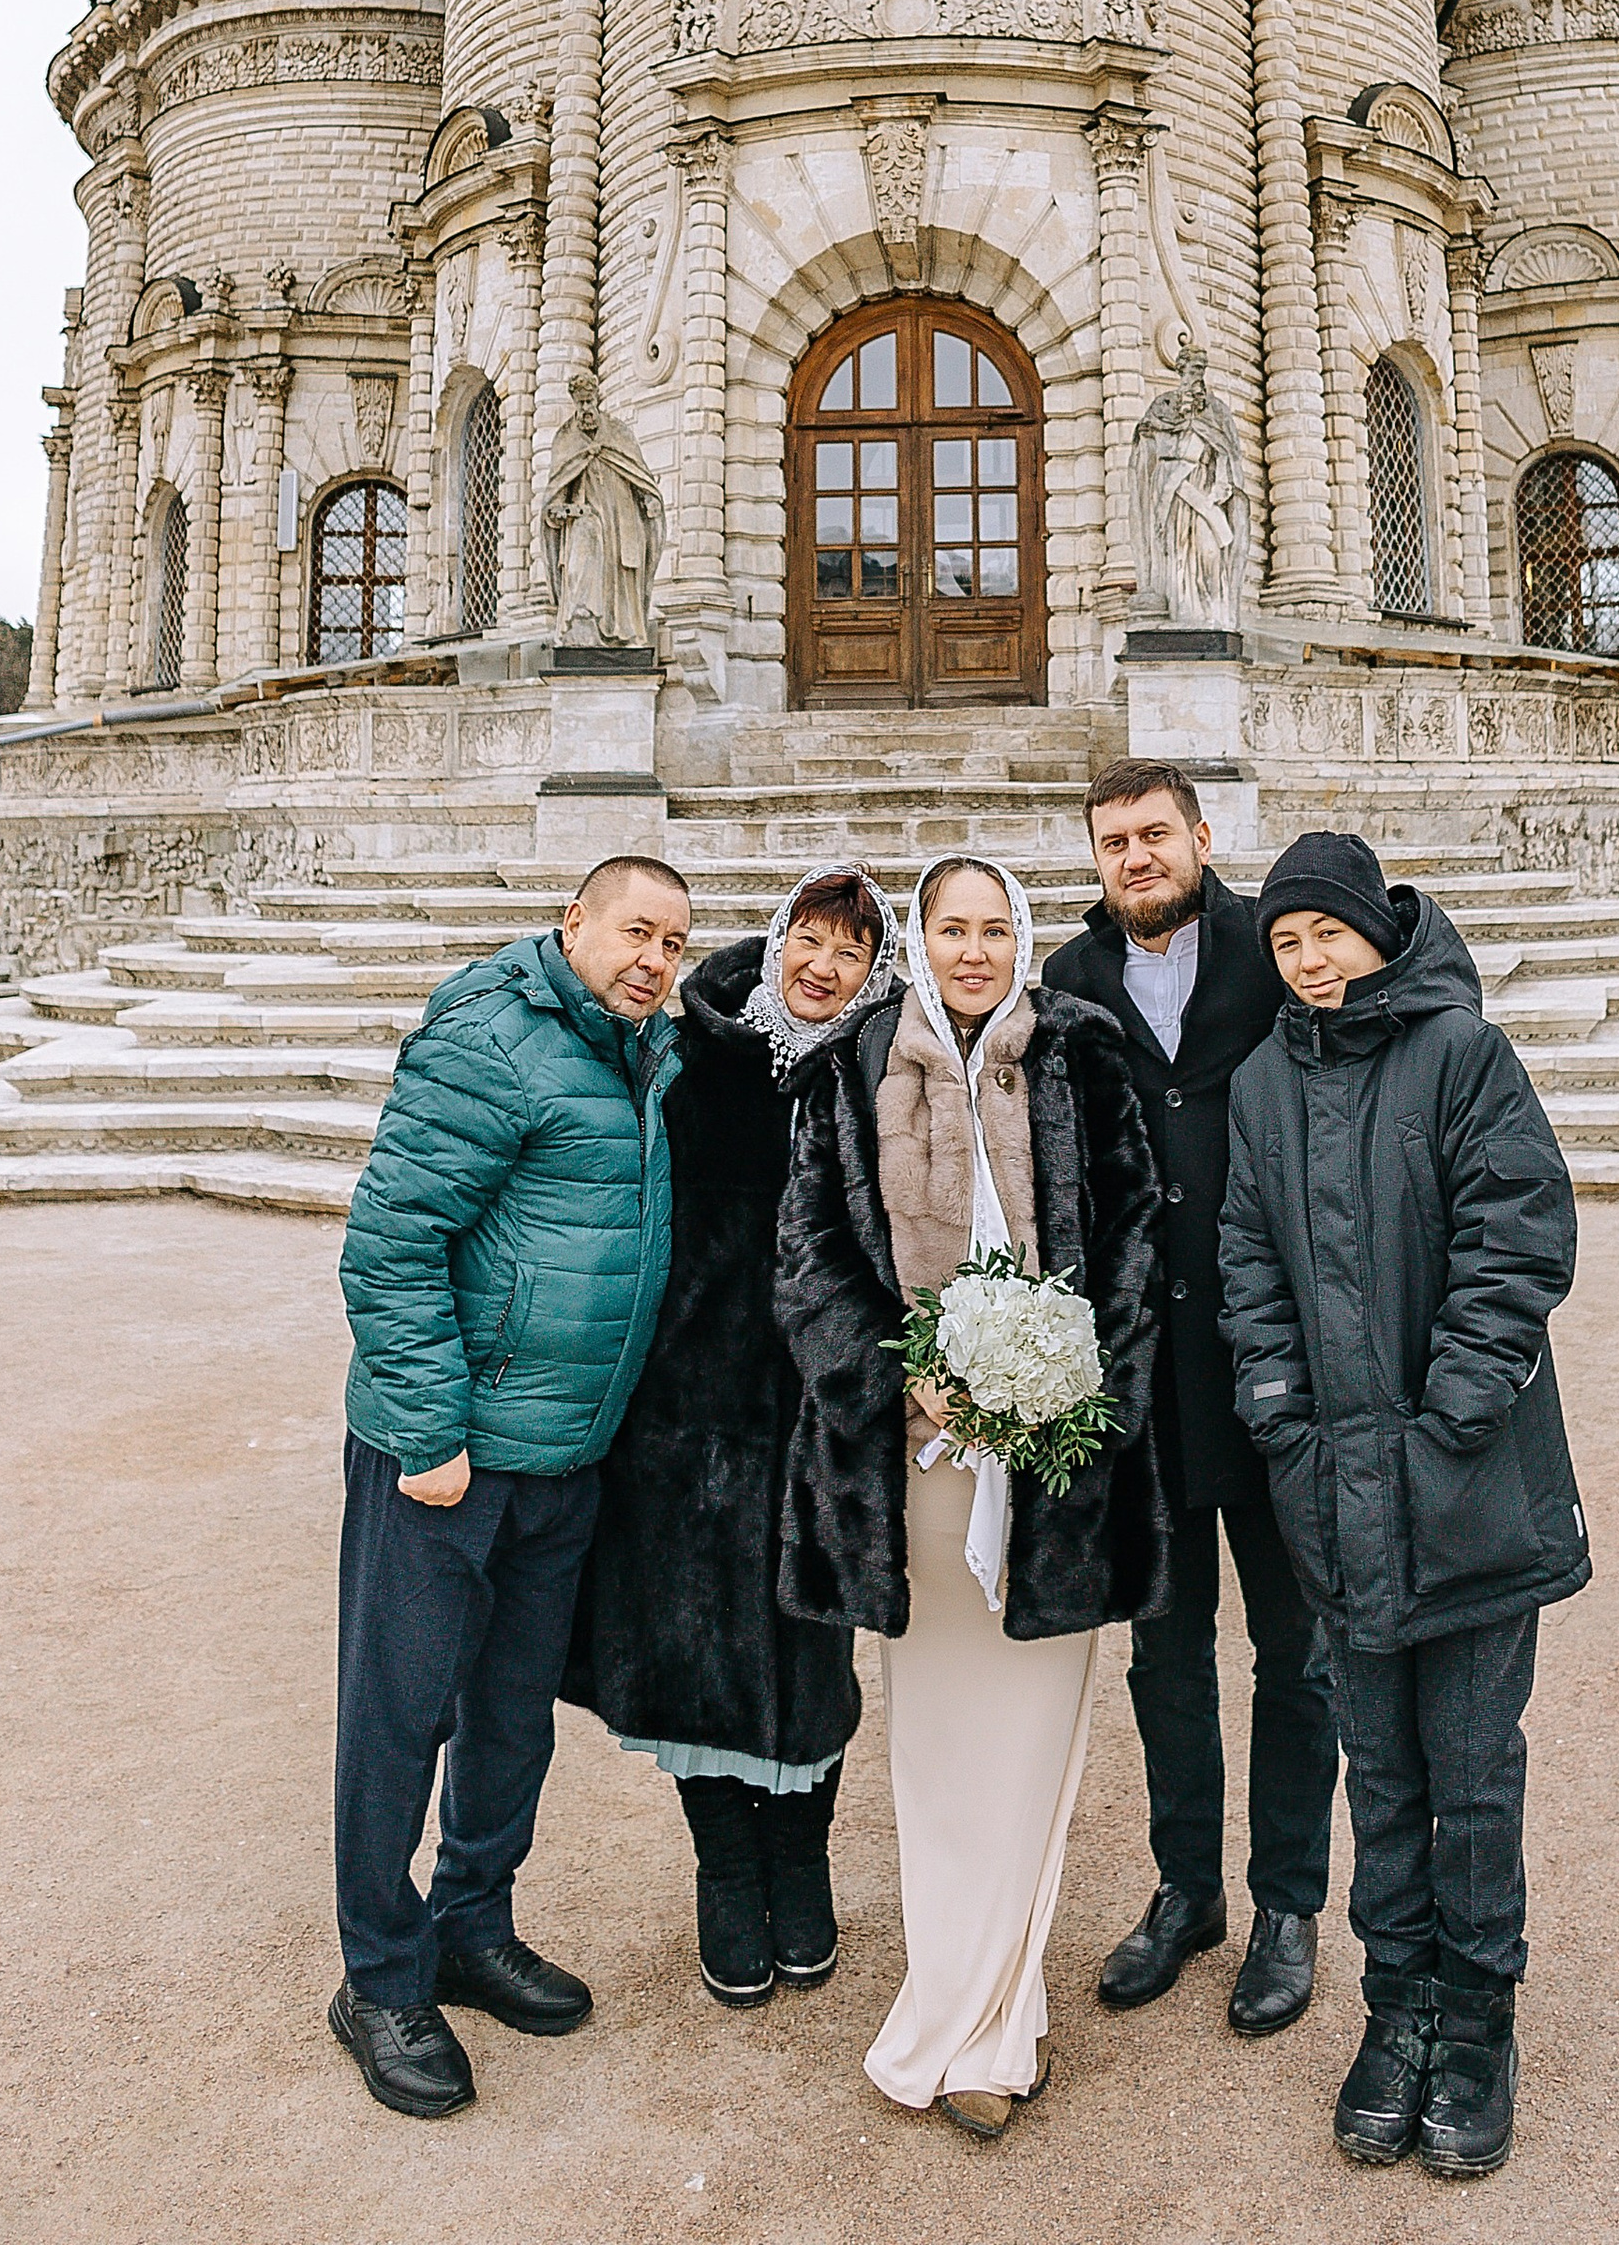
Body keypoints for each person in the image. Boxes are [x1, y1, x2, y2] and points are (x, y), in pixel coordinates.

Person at [775, 854, 1169, 2138]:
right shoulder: (848, 1071)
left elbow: (1129, 1241)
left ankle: (996, 2029)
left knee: (1032, 1747)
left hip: (1052, 1464)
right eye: (951, 928)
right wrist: (903, 1381)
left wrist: (1069, 1376)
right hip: (914, 1476)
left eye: (996, 929)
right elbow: (813, 1261)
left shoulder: (1081, 1056)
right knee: (939, 1752)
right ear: (920, 941)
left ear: (1023, 935)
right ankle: (957, 2002)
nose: (974, 951)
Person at [1219, 832, 1592, 2182]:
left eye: (1327, 934)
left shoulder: (1460, 1056)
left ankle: (1479, 2025)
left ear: (1379, 930)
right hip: (1334, 1496)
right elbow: (1248, 1253)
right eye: (1286, 944)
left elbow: (1519, 1229)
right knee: (1378, 1776)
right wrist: (1275, 1400)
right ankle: (1398, 2015)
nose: (1310, 962)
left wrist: (1457, 1407)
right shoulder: (1264, 1082)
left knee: (1474, 1778)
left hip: (1470, 1487)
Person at [328, 851, 693, 2118]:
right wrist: (431, 1434)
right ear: (573, 922)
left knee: (508, 1717)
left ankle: (471, 1927)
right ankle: (379, 1976)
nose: (652, 958)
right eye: (633, 931)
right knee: (399, 1716)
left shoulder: (638, 1050)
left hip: (559, 1458)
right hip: (448, 1459)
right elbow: (390, 1242)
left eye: (673, 943)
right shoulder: (494, 1038)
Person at [565, 867, 902, 2005]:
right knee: (693, 1643)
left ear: (873, 973)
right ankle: (724, 1866)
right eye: (807, 939)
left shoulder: (884, 1075)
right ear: (774, 944)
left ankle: (799, 1861)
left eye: (848, 953)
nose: (821, 966)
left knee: (814, 1652)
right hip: (688, 1417)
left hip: (824, 1418)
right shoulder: (685, 1058)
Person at [1041, 761, 1340, 2035]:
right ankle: (1186, 1890)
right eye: (1114, 843)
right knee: (1165, 1652)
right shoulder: (1065, 981)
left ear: (1202, 838)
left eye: (1154, 835)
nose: (1136, 858)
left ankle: (1286, 1903)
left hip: (1275, 1363)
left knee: (1296, 1649)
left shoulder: (1269, 951)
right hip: (1143, 1383)